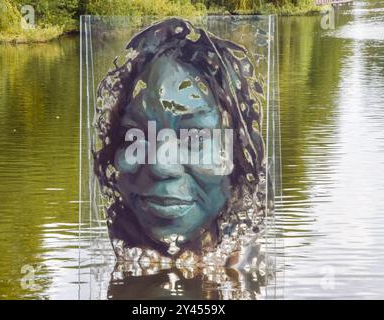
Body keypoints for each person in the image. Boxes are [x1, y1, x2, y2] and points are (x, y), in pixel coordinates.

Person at [94, 18, 267, 268]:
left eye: (194, 137)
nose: (161, 166)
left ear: (238, 154)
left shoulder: (251, 273)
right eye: (135, 136)